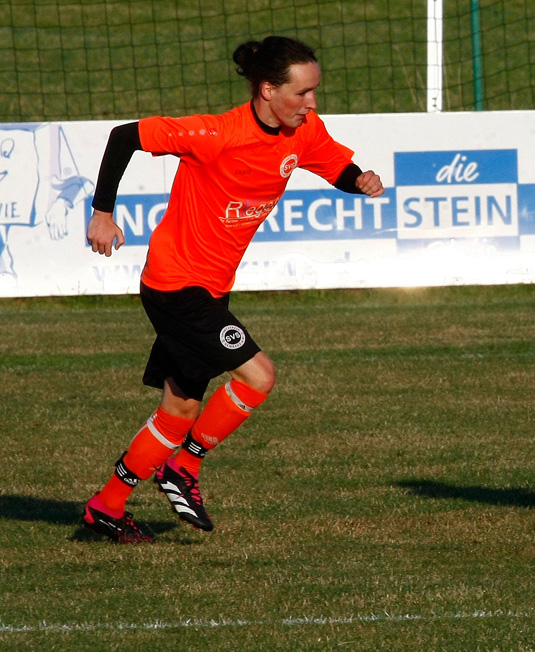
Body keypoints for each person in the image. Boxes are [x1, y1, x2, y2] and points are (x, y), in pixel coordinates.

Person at [82, 36, 385, 543]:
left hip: (211, 289)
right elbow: (124, 136)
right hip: (177, 285)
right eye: (302, 93)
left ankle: (106, 507)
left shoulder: (303, 131)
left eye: (315, 93)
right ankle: (185, 470)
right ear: (268, 89)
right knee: (258, 377)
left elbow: (332, 162)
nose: (312, 104)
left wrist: (359, 180)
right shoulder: (217, 133)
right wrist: (102, 213)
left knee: (179, 410)